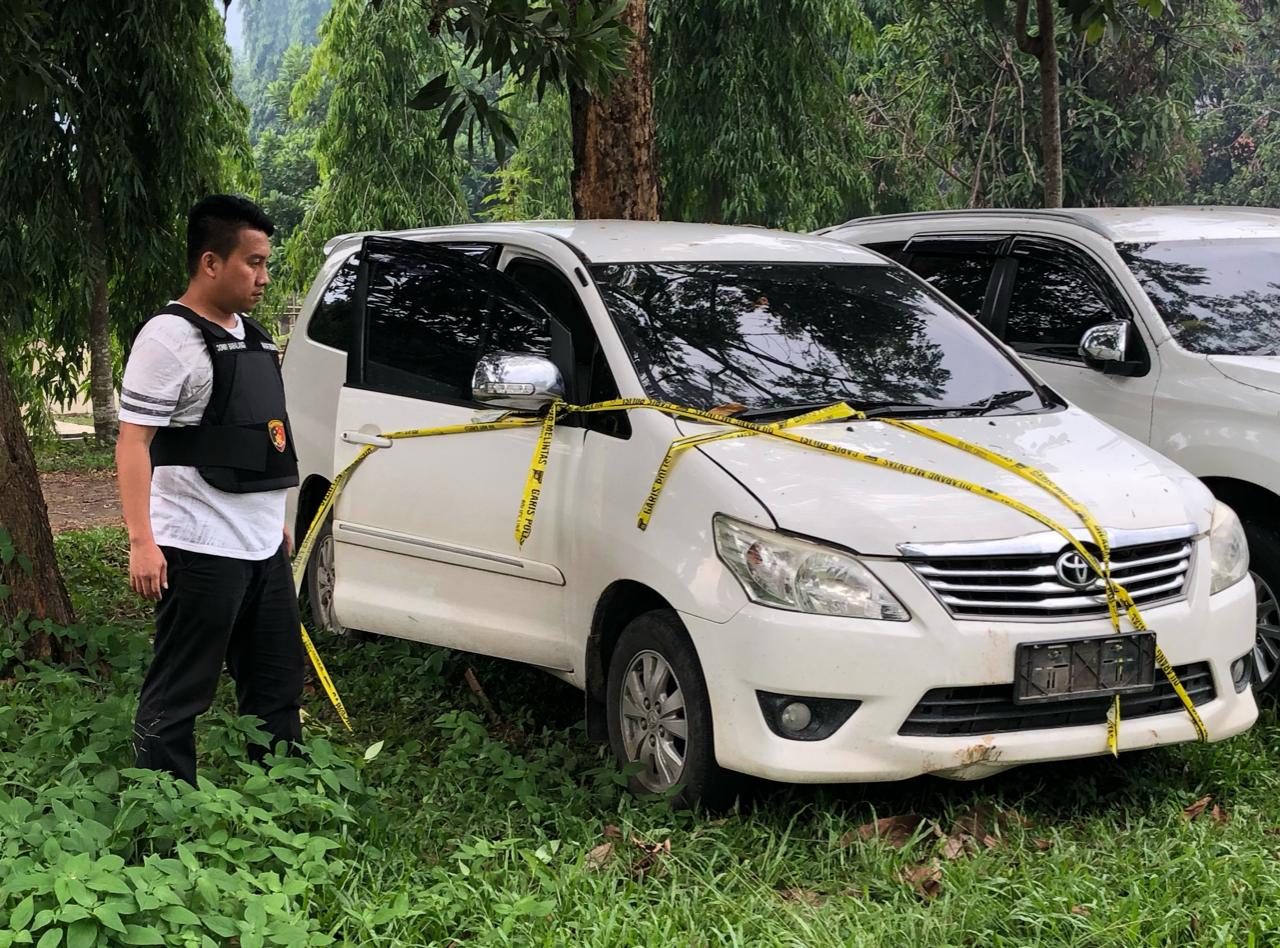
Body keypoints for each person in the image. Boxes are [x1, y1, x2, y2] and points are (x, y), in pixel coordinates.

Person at [116, 194, 302, 785]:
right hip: (197, 546)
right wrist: (142, 541)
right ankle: (161, 802)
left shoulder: (255, 336)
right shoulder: (168, 339)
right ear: (211, 262)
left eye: (266, 263)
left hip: (262, 546)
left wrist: (274, 516)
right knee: (181, 690)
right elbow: (133, 443)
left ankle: (281, 795)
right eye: (253, 263)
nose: (264, 278)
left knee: (276, 686)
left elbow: (263, 434)